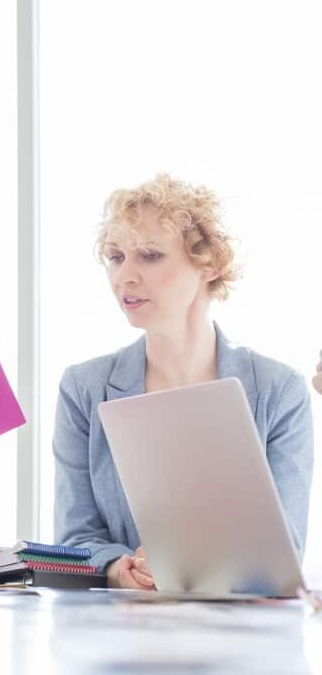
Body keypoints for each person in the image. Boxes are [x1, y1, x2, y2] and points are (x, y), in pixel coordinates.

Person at [53, 173, 313, 589]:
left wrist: (188, 568)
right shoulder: (84, 388)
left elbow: (285, 550)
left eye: (150, 255)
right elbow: (74, 537)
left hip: (241, 638)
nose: (125, 276)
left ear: (209, 264)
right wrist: (121, 570)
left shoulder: (279, 391)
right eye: (116, 257)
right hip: (118, 634)